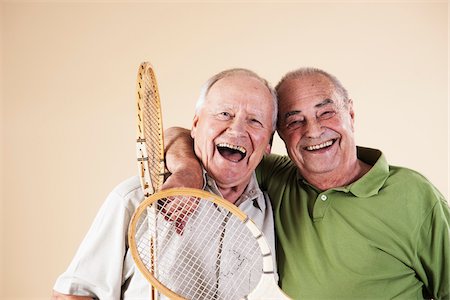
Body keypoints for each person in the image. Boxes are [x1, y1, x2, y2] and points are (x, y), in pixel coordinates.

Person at [164, 67, 450, 299]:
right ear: (278, 139)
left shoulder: (413, 194)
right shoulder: (270, 176)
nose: (313, 131)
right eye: (294, 121)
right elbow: (182, 136)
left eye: (326, 113)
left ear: (350, 114)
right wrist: (188, 172)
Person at [52, 68, 279, 299]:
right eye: (224, 114)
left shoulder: (278, 212)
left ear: (269, 143)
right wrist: (188, 171)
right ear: (196, 124)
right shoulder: (135, 198)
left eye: (254, 121)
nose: (237, 129)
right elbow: (73, 295)